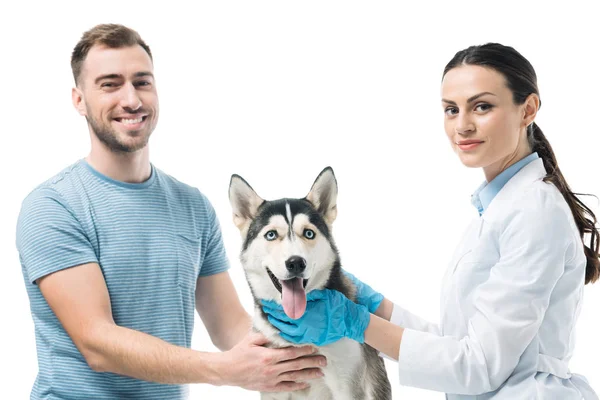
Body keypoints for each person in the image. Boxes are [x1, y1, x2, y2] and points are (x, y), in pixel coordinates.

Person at [263, 43, 600, 399]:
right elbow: (458, 344)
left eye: (482, 106)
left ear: (527, 109)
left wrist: (355, 322)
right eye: (451, 110)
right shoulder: (501, 207)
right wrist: (371, 305)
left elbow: (477, 366)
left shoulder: (534, 211)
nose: (463, 125)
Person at [16, 23, 326, 400]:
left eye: (142, 82)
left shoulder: (192, 206)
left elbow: (228, 324)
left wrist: (296, 353)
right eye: (110, 84)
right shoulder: (53, 206)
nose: (131, 99)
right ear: (78, 99)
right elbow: (96, 343)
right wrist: (223, 370)